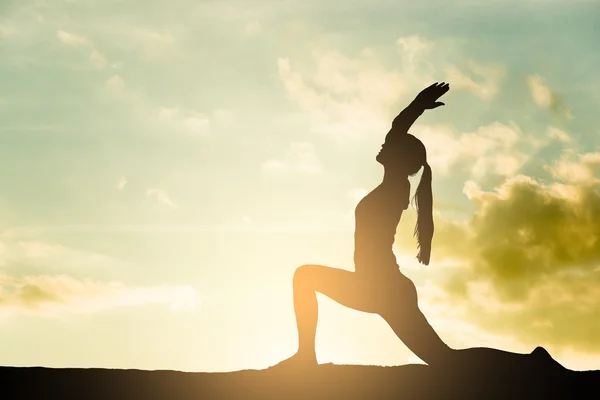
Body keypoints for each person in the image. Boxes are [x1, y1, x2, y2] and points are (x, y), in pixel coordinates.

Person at [272, 82, 567, 372]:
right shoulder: (396, 185)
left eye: (389, 145)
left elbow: (397, 128)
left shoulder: (394, 188)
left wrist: (416, 106)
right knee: (445, 359)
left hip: (381, 287)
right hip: (376, 285)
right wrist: (417, 106)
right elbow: (397, 130)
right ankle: (305, 356)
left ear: (398, 159)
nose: (383, 144)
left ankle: (531, 362)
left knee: (306, 277)